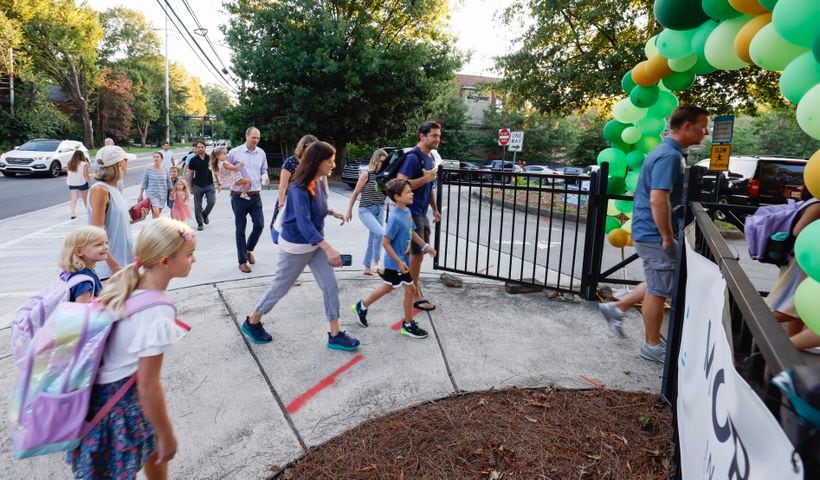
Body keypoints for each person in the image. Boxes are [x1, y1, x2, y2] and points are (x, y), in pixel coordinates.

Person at [66, 218, 195, 480]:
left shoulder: (130, 285)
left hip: (100, 398)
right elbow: (149, 385)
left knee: (148, 452)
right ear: (165, 261)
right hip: (118, 406)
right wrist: (166, 435)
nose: (194, 260)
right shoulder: (157, 311)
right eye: (190, 254)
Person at [241, 141, 358, 350]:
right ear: (317, 162)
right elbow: (303, 224)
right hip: (296, 247)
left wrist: (331, 212)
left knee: (330, 286)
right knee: (280, 288)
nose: (333, 165)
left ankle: (335, 334)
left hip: (315, 245)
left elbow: (317, 208)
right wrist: (328, 247)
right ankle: (253, 321)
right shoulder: (298, 188)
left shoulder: (320, 181)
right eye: (329, 161)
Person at [628, 105, 710, 364]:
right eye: (702, 126)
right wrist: (666, 236)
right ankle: (652, 346)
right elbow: (657, 198)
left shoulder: (668, 152)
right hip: (654, 234)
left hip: (651, 231)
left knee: (660, 286)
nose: (705, 132)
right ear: (687, 126)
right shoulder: (669, 156)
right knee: (657, 289)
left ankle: (654, 339)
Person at [352, 179, 437, 338]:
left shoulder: (407, 212)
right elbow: (385, 242)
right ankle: (408, 324)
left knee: (389, 287)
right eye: (408, 192)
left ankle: (362, 306)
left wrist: (426, 246)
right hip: (396, 263)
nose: (412, 194)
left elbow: (411, 233)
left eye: (411, 191)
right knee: (410, 289)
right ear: (397, 197)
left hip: (401, 262)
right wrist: (398, 261)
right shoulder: (395, 218)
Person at [766, 187, 820, 350]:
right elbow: (798, 231)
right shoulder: (818, 205)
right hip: (805, 261)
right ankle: (751, 319)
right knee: (792, 306)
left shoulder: (812, 202)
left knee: (799, 305)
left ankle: (791, 346)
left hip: (804, 259)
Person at [396, 121, 443, 311]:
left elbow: (428, 186)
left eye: (438, 136)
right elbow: (401, 183)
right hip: (411, 213)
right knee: (417, 255)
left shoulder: (430, 157)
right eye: (433, 135)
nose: (437, 139)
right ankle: (413, 293)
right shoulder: (414, 158)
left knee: (414, 254)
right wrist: (426, 178)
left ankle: (406, 284)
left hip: (421, 212)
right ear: (422, 136)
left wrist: (435, 208)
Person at [89, 145, 140, 281]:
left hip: (123, 264)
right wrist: (114, 266)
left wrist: (135, 218)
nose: (127, 164)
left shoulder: (113, 188)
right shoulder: (100, 190)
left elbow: (113, 223)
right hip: (109, 270)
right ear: (119, 164)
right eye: (126, 161)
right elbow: (96, 233)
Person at [227, 128, 269, 273]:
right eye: (253, 137)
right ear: (246, 136)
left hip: (255, 194)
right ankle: (242, 261)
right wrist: (232, 180)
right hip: (238, 196)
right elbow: (224, 169)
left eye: (258, 138)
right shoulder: (234, 153)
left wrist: (265, 176)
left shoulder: (261, 153)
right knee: (240, 228)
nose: (255, 140)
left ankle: (249, 249)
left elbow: (264, 169)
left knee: (259, 224)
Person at [345, 148, 388, 275]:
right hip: (365, 210)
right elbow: (355, 193)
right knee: (380, 233)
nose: (382, 164)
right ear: (375, 161)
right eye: (381, 161)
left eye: (385, 162)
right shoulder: (366, 175)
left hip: (380, 209)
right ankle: (376, 262)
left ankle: (367, 268)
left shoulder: (385, 178)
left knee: (373, 238)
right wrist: (349, 210)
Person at [58, 225, 108, 303]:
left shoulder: (75, 271)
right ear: (79, 252)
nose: (106, 247)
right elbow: (81, 311)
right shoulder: (83, 281)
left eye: (106, 243)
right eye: (99, 244)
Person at [278, 134, 318, 214]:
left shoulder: (314, 163)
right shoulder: (290, 162)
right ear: (302, 147)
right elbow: (283, 187)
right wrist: (281, 205)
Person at [184, 140, 216, 231]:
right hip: (197, 185)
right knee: (197, 205)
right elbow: (190, 174)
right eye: (198, 147)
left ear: (205, 148)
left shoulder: (210, 158)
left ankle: (205, 214)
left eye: (202, 147)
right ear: (196, 148)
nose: (200, 149)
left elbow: (216, 170)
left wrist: (219, 182)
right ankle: (200, 223)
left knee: (212, 201)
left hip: (209, 184)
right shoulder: (193, 160)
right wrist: (190, 187)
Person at [139, 152, 174, 219]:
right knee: (157, 215)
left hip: (162, 194)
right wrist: (140, 194)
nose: (155, 158)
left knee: (155, 216)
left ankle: (153, 227)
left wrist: (173, 192)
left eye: (157, 157)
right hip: (152, 194)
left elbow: (169, 182)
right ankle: (157, 227)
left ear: (161, 159)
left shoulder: (165, 169)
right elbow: (144, 182)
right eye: (154, 157)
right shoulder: (148, 169)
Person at [66, 150, 90, 220]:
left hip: (72, 182)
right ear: (82, 156)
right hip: (82, 182)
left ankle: (73, 213)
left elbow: (68, 173)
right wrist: (89, 182)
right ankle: (88, 211)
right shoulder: (84, 164)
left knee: (73, 198)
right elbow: (85, 175)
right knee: (85, 198)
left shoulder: (69, 163)